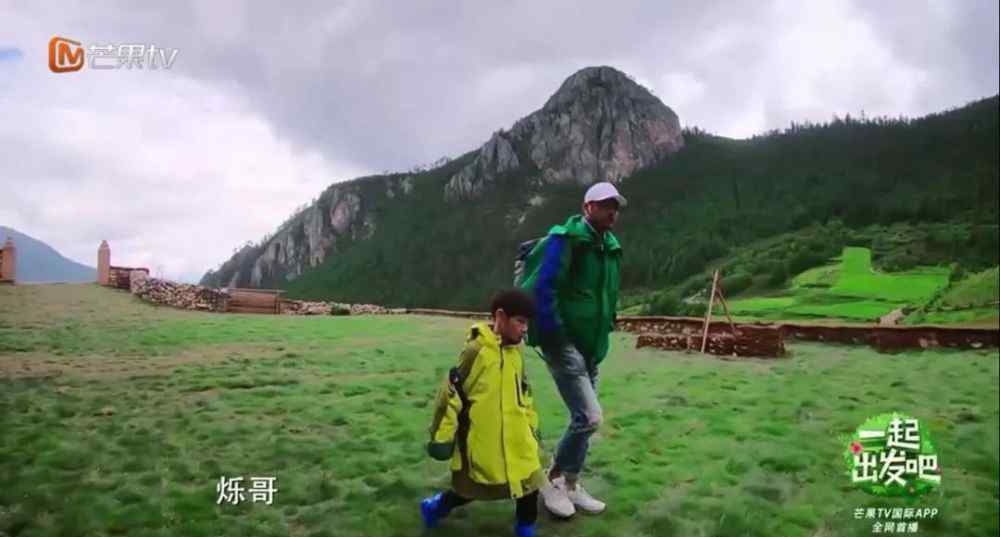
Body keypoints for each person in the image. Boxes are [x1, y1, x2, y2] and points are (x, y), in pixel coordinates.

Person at [519, 181, 625, 517]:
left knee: (582, 419)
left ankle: (571, 484)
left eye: (616, 206)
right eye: (605, 205)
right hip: (563, 344)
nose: (612, 212)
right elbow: (544, 288)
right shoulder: (566, 241)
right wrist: (555, 335)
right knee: (590, 417)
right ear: (587, 207)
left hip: (592, 346)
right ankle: (551, 479)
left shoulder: (610, 248)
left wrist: (607, 323)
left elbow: (607, 293)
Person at [421, 288, 545, 537]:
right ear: (500, 316)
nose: (525, 329)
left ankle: (525, 529)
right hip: (484, 441)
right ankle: (436, 507)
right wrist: (442, 438)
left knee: (530, 485)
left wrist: (532, 427)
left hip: (518, 438)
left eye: (527, 323)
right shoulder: (475, 352)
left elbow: (525, 393)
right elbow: (452, 395)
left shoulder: (517, 352)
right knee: (470, 489)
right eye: (520, 321)